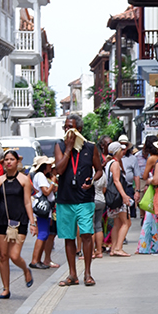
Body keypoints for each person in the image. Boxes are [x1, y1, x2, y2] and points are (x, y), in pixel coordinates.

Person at [54, 113, 104, 287]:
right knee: (69, 237)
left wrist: (92, 180)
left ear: (79, 130)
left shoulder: (90, 147)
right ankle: (72, 274)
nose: (67, 130)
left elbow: (99, 170)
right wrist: (68, 149)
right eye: (65, 127)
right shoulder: (60, 146)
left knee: (86, 234)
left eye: (71, 127)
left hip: (84, 198)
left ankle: (88, 273)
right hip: (65, 199)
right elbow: (59, 170)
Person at [0, 149, 36, 299]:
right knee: (4, 255)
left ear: (17, 162)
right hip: (2, 220)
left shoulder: (24, 180)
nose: (9, 162)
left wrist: (32, 222)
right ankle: (6, 288)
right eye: (6, 160)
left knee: (14, 255)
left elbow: (27, 202)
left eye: (12, 159)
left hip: (20, 221)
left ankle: (25, 270)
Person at [29, 155, 59, 269]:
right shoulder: (40, 175)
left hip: (46, 209)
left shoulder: (41, 176)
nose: (51, 166)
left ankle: (38, 259)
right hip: (43, 209)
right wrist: (53, 183)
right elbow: (46, 192)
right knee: (43, 234)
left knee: (44, 233)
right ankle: (35, 260)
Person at [105, 141, 133, 256]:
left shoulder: (109, 163)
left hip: (112, 197)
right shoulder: (115, 164)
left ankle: (114, 248)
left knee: (116, 223)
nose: (123, 152)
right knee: (126, 222)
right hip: (118, 198)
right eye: (121, 150)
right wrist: (124, 196)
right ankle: (118, 248)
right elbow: (116, 181)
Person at [119, 134, 139, 218]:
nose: (124, 147)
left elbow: (137, 175)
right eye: (121, 144)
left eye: (125, 145)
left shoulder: (133, 158)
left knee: (131, 213)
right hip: (117, 189)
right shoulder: (114, 158)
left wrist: (137, 191)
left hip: (128, 187)